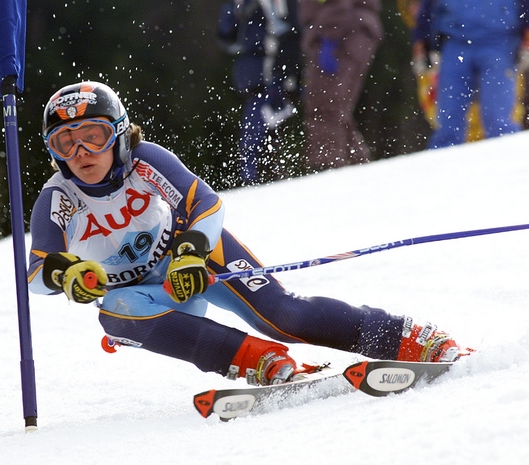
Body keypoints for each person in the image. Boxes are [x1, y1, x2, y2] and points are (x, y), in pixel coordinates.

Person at [27, 81, 469, 388]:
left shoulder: (145, 160)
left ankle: (407, 337)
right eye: (66, 143)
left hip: (197, 257)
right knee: (114, 315)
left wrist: (190, 252)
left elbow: (206, 204)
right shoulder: (57, 197)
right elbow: (35, 273)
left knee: (284, 317)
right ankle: (255, 361)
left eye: (94, 136)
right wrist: (65, 275)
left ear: (119, 134)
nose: (83, 152)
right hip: (144, 293)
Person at [412, 0, 529, 149]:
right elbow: (427, 5)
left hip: (500, 41)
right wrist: (421, 40)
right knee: (448, 123)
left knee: (498, 120)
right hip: (454, 41)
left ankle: (508, 163)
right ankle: (442, 166)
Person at [217, 0, 302, 185]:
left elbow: (289, 31)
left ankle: (261, 176)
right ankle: (254, 176)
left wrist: (287, 73)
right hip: (254, 71)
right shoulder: (237, 4)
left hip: (270, 70)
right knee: (257, 127)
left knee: (268, 127)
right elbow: (226, 36)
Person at [297, 0, 383, 171]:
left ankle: (328, 166)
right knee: (336, 109)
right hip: (349, 29)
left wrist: (330, 36)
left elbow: (338, 4)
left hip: (340, 34)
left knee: (325, 106)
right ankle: (358, 168)